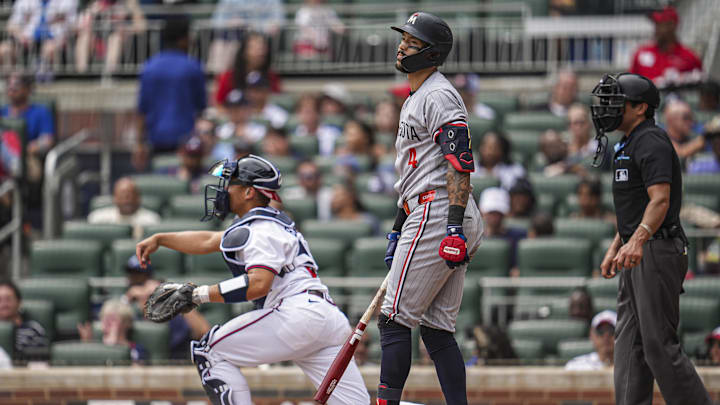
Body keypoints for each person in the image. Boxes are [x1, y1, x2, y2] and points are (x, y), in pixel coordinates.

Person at [135, 155, 370, 404]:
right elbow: (208, 241)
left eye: (231, 184)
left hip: (297, 314)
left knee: (210, 351)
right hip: (326, 319)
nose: (224, 190)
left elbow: (258, 284)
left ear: (248, 192)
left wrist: (197, 295)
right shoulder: (263, 224)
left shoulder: (260, 230)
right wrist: (161, 238)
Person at [380, 13, 484, 405]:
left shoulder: (437, 95)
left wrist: (453, 227)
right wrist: (397, 225)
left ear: (433, 52)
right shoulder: (418, 95)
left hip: (441, 210)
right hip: (430, 207)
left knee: (393, 319)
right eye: (403, 38)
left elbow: (459, 162)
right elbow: (417, 168)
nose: (403, 45)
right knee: (436, 330)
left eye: (412, 41)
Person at [593, 72, 712, 405]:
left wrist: (638, 240)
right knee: (629, 345)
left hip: (657, 248)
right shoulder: (628, 142)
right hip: (638, 250)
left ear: (641, 107)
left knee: (658, 345)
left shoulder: (652, 141)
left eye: (618, 102)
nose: (607, 108)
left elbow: (660, 199)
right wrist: (618, 244)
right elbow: (636, 207)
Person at [134, 16, 207, 171]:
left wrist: (139, 144)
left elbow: (141, 111)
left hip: (156, 141)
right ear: (183, 39)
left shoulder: (149, 67)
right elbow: (201, 109)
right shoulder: (193, 67)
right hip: (187, 145)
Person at [122, 255, 210, 359]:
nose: (132, 278)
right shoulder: (126, 302)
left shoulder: (172, 310)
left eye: (138, 274)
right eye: (130, 273)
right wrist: (127, 300)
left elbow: (204, 332)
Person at [0, 0, 77, 79]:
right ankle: (12, 83)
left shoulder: (68, 1)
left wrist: (63, 36)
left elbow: (74, 25)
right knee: (3, 49)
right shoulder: (23, 1)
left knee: (49, 48)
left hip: (55, 41)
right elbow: (11, 25)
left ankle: (41, 79)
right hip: (26, 42)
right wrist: (20, 36)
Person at [629, 5, 702, 87]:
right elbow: (630, 88)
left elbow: (700, 90)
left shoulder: (690, 57)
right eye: (655, 24)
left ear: (672, 25)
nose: (656, 29)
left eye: (659, 24)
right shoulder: (641, 53)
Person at [74, 0, 146, 76]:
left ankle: (110, 75)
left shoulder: (129, 3)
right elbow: (80, 26)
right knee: (84, 37)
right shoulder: (94, 4)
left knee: (115, 38)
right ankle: (81, 74)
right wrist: (92, 14)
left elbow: (142, 26)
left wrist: (126, 29)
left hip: (122, 42)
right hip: (96, 41)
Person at [213, 32, 281, 108]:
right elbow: (220, 104)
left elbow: (277, 101)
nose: (260, 52)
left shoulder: (271, 76)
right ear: (244, 51)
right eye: (255, 48)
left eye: (262, 48)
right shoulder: (228, 77)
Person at [87, 177, 161, 239]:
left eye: (130, 195)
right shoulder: (98, 219)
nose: (127, 200)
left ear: (138, 198)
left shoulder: (151, 220)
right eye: (122, 196)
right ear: (114, 199)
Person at [77, 298, 148, 363]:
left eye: (112, 319)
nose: (107, 322)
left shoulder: (135, 349)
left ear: (127, 323)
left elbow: (138, 373)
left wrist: (113, 345)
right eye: (104, 318)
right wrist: (86, 345)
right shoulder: (94, 346)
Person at [478, 187, 525, 273]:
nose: (495, 217)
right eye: (491, 212)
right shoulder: (473, 239)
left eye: (498, 213)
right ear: (482, 212)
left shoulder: (518, 237)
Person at [0, 279, 49, 361]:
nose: (4, 304)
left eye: (8, 299)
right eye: (0, 300)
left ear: (19, 302)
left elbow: (41, 361)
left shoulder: (33, 329)